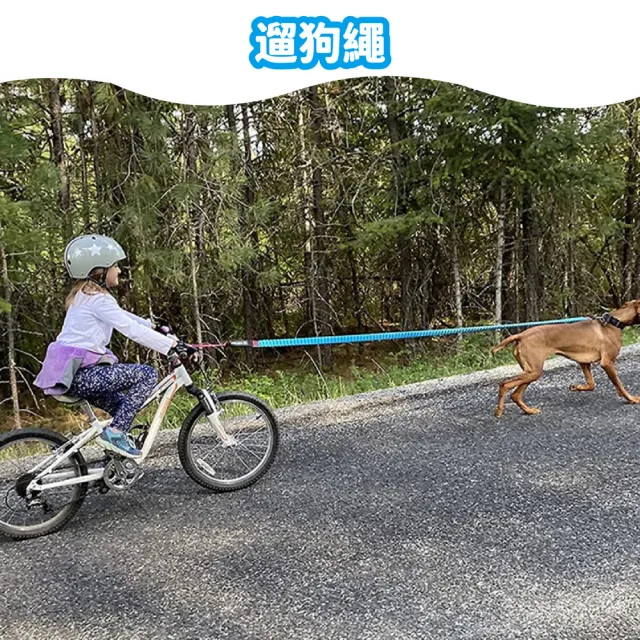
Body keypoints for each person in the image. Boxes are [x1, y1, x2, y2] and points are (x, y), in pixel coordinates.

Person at [34, 234, 178, 459]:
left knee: (125, 406)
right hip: (81, 376)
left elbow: (124, 317)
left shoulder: (85, 296)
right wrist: (170, 346)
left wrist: (151, 325)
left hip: (71, 375)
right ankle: (115, 434)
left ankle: (111, 464)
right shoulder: (99, 300)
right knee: (147, 374)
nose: (119, 271)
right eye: (115, 266)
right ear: (99, 271)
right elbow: (131, 330)